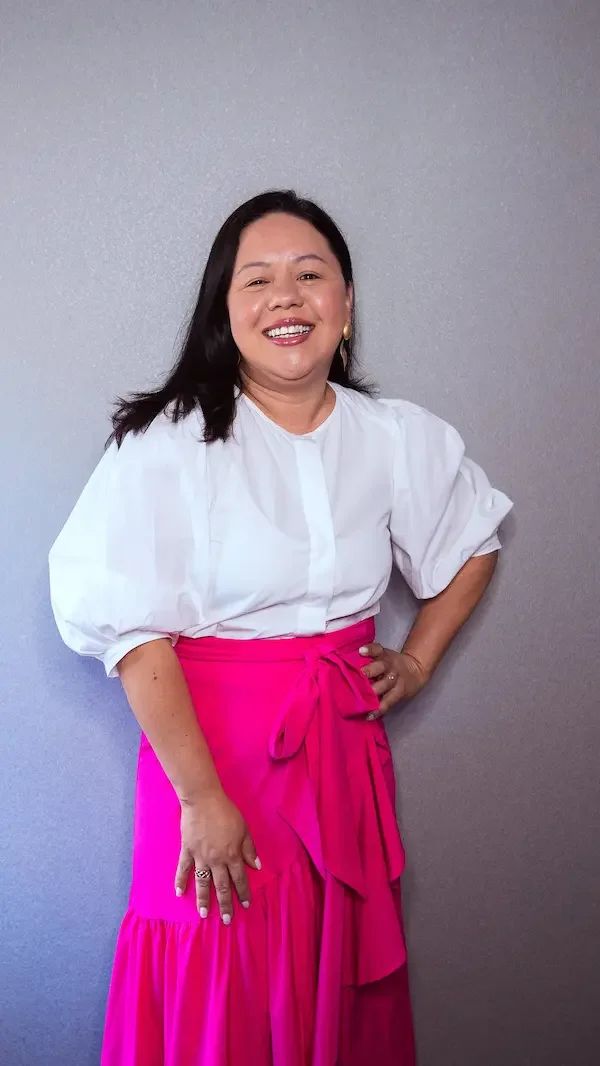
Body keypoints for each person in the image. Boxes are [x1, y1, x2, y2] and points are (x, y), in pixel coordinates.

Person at [49, 189, 513, 1066]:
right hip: (207, 761)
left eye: (311, 275)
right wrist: (201, 799)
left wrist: (414, 662)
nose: (286, 298)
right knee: (215, 974)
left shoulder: (394, 437)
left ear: (346, 303)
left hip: (337, 760)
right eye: (256, 280)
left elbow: (472, 541)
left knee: (330, 984)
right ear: (226, 312)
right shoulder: (167, 444)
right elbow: (129, 630)